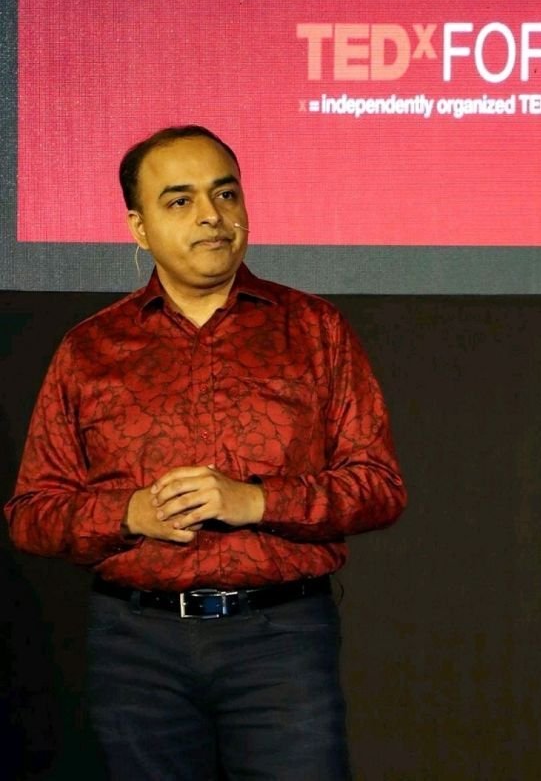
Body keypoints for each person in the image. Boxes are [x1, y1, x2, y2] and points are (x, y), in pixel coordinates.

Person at [4, 125, 407, 780]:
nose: (212, 216)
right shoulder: (90, 351)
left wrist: (257, 501)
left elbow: (379, 485)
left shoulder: (314, 330)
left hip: (281, 641)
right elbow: (32, 513)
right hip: (138, 648)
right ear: (139, 228)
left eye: (226, 194)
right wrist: (129, 513)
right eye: (180, 200)